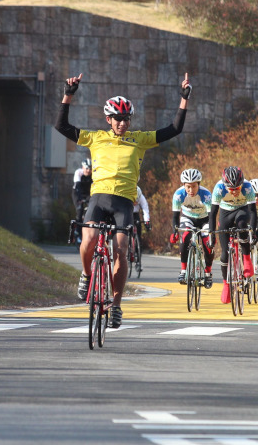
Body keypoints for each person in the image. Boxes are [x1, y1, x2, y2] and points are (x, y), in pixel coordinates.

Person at [55, 72, 192, 328]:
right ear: (108, 119)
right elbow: (61, 126)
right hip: (99, 198)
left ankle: (116, 305)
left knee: (121, 250)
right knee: (88, 240)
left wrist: (184, 98)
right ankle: (86, 276)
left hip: (124, 203)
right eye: (117, 119)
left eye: (126, 118)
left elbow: (174, 129)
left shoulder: (139, 139)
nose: (122, 123)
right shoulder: (95, 137)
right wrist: (68, 94)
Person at [208, 166, 257, 303]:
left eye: (237, 188)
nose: (235, 191)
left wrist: (251, 231)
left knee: (242, 225)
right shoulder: (219, 188)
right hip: (225, 213)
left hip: (242, 210)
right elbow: (212, 214)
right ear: (225, 186)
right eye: (231, 189)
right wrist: (212, 234)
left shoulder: (247, 187)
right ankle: (226, 285)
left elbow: (253, 211)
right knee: (224, 253)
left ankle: (247, 260)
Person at [170, 168, 214, 288]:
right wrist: (175, 231)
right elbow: (175, 216)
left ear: (198, 184)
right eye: (188, 186)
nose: (191, 190)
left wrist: (211, 233)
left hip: (205, 219)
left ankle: (208, 273)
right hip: (188, 218)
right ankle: (183, 270)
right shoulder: (178, 195)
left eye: (194, 186)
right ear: (183, 185)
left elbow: (211, 217)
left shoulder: (206, 195)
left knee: (208, 243)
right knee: (184, 237)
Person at [72, 158, 92, 242]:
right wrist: (80, 199)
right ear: (82, 167)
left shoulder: (93, 174)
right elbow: (78, 187)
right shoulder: (78, 172)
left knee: (91, 208)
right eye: (86, 168)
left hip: (87, 193)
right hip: (77, 192)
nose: (88, 170)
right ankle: (77, 232)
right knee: (79, 210)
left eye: (90, 168)